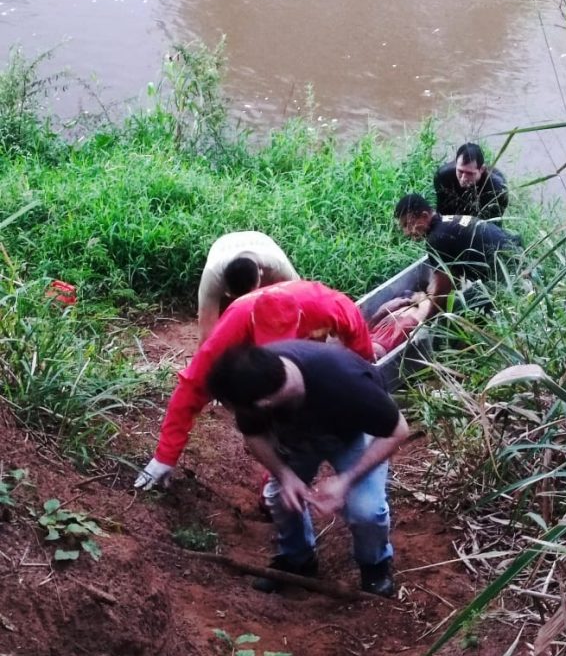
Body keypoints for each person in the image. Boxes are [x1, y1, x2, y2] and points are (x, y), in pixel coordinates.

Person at [206, 340, 410, 597]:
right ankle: (297, 560)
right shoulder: (251, 379)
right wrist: (286, 476)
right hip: (299, 438)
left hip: (355, 434)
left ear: (265, 403)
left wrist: (346, 480)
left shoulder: (345, 381)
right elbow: (254, 435)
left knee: (366, 510)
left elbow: (398, 430)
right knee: (280, 498)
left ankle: (374, 566)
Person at [134, 280, 375, 490]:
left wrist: (363, 384)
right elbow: (194, 384)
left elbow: (358, 341)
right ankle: (275, 481)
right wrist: (166, 455)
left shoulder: (326, 306)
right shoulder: (233, 327)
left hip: (306, 367)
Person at [394, 194, 522, 320]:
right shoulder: (447, 222)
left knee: (455, 314)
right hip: (517, 254)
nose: (406, 233)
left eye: (407, 225)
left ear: (424, 216)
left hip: (509, 275)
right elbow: (452, 277)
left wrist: (425, 321)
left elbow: (442, 293)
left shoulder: (436, 239)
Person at [197, 231, 299, 342]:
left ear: (260, 276)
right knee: (226, 323)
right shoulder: (212, 277)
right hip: (222, 245)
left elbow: (299, 298)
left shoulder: (278, 267)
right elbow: (206, 331)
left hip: (262, 243)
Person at [433, 143, 509, 222]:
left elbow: (492, 224)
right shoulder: (443, 176)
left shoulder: (497, 188)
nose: (463, 178)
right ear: (456, 164)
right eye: (460, 171)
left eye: (470, 173)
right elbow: (442, 212)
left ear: (482, 169)